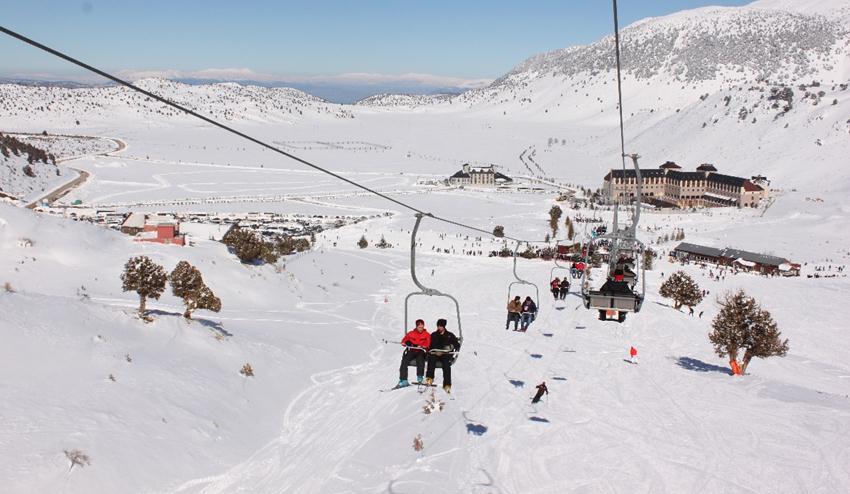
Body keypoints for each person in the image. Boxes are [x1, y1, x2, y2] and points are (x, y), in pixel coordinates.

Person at [425, 318, 460, 393]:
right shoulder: (434, 335)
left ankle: (447, 384)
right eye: (438, 326)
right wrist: (434, 350)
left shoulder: (450, 335)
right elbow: (429, 345)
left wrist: (451, 346)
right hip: (435, 353)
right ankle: (429, 378)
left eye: (440, 326)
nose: (439, 328)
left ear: (444, 326)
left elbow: (457, 344)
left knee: (446, 365)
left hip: (445, 355)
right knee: (431, 360)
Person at [398, 319, 431, 387]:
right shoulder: (411, 333)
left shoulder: (426, 334)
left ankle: (420, 377)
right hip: (412, 350)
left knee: (420, 360)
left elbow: (428, 344)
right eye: (419, 327)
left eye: (422, 327)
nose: (421, 329)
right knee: (404, 361)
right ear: (416, 327)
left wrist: (421, 346)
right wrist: (408, 343)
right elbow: (403, 341)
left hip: (421, 351)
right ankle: (403, 380)